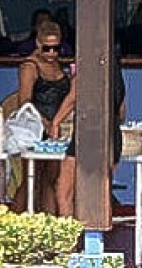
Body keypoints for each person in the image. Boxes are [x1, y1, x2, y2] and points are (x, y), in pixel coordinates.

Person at [50, 52, 127, 218]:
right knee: (98, 192)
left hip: (87, 131)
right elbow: (121, 113)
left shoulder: (88, 67)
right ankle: (94, 237)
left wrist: (56, 122)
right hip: (112, 132)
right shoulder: (118, 80)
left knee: (65, 192)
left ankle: (69, 240)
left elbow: (73, 97)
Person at [12, 20, 72, 213]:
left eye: (57, 48)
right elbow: (25, 102)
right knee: (31, 179)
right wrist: (46, 123)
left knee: (51, 180)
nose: (52, 54)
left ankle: (49, 228)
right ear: (38, 44)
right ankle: (10, 225)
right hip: (35, 129)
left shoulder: (58, 66)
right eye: (47, 48)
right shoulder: (29, 66)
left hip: (56, 130)